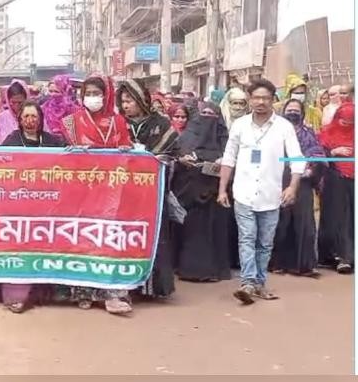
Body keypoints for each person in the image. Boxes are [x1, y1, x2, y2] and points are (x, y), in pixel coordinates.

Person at [217, 79, 305, 305]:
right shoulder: (240, 125)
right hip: (243, 193)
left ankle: (259, 283)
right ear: (250, 99)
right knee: (247, 238)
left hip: (271, 195)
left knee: (265, 243)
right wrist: (222, 189)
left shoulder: (284, 127)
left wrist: (292, 186)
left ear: (273, 100)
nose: (261, 102)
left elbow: (297, 159)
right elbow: (229, 158)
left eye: (265, 98)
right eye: (256, 97)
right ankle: (247, 283)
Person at [59, 76, 132, 314]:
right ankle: (83, 292)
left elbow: (129, 151)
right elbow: (63, 157)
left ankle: (111, 295)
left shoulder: (118, 121)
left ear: (106, 95)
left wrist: (126, 151)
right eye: (87, 93)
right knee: (83, 238)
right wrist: (73, 153)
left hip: (111, 189)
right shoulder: (71, 122)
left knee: (108, 239)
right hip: (82, 190)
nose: (92, 97)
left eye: (96, 93)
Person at [0, 100, 64, 313]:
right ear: (19, 120)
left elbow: (67, 162)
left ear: (40, 119)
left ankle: (43, 294)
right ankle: (16, 295)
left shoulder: (52, 142)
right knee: (18, 248)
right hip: (18, 205)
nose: (30, 121)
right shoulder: (12, 141)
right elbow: (1, 168)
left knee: (43, 247)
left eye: (34, 116)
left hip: (46, 205)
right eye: (26, 117)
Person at [116, 79, 179, 305]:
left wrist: (150, 157)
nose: (126, 105)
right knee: (125, 236)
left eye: (130, 100)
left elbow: (172, 153)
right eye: (123, 101)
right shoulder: (117, 123)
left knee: (152, 235)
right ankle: (125, 285)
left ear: (142, 100)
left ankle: (153, 287)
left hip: (152, 193)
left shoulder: (160, 124)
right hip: (123, 193)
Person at [172, 102, 232, 282]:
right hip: (191, 194)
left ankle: (215, 271)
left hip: (216, 195)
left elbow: (232, 163)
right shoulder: (186, 138)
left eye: (211, 114)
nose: (207, 117)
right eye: (204, 113)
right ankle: (189, 269)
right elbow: (175, 159)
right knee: (192, 233)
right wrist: (183, 161)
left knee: (215, 232)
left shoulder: (226, 141)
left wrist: (222, 164)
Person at [270, 99, 325, 278]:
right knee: (281, 223)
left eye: (296, 110)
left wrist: (309, 167)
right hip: (278, 180)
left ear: (302, 113)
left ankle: (305, 265)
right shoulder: (275, 132)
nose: (293, 113)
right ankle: (278, 263)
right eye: (289, 110)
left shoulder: (308, 133)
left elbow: (318, 154)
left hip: (303, 182)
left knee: (304, 224)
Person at [317, 102, 355, 274]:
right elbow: (318, 155)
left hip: (353, 181)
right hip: (334, 180)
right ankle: (339, 257)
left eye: (351, 123)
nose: (347, 126)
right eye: (343, 122)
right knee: (337, 218)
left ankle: (351, 256)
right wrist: (333, 152)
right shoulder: (327, 133)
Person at [0, 79, 28, 145]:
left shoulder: (34, 117)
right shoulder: (0, 119)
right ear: (8, 101)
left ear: (26, 99)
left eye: (20, 102)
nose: (16, 106)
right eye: (13, 102)